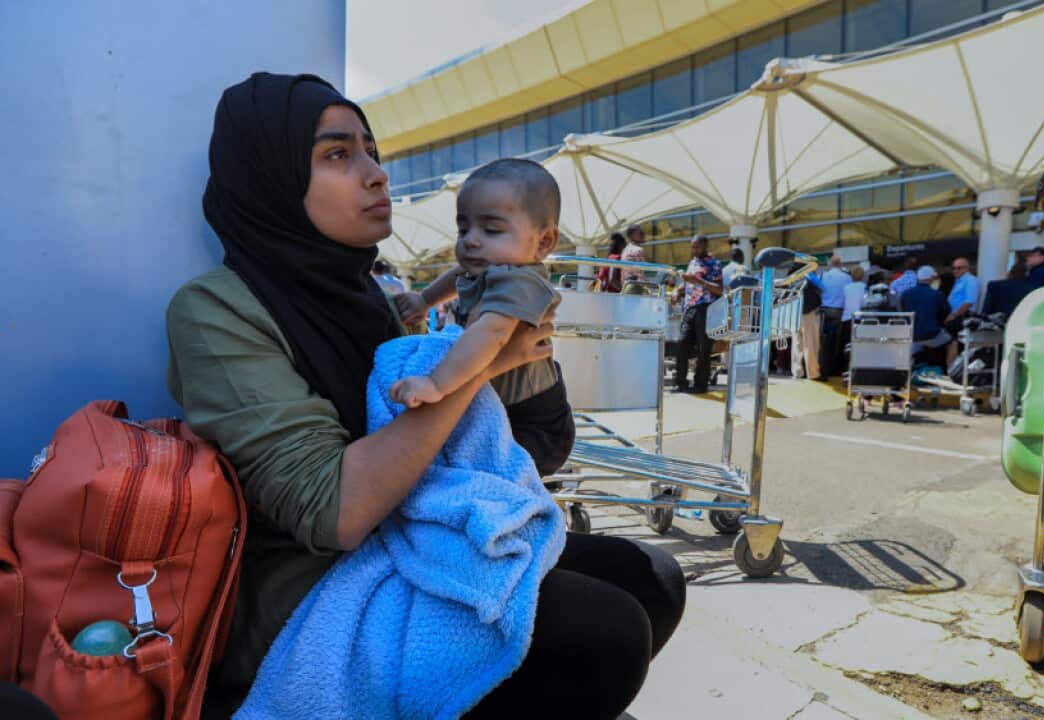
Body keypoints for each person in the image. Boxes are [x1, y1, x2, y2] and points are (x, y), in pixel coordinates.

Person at [166, 73, 684, 719]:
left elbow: (512, 450)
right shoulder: (217, 308)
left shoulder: (373, 299)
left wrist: (517, 362)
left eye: (371, 150)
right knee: (602, 633)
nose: (376, 174)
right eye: (337, 154)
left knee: (651, 576)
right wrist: (469, 374)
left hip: (415, 528)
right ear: (270, 178)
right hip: (308, 584)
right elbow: (335, 513)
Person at [388, 159, 575, 477]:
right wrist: (425, 299)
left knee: (480, 474)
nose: (471, 239)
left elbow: (493, 332)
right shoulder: (490, 265)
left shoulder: (520, 281)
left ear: (543, 242)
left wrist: (435, 383)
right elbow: (458, 273)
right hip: (498, 404)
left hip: (534, 423)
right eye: (464, 228)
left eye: (491, 229)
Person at [673, 234, 723, 393]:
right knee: (682, 343)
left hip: (706, 308)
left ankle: (700, 384)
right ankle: (680, 382)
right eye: (692, 246)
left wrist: (699, 281)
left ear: (705, 246)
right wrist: (677, 291)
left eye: (697, 247)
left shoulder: (714, 264)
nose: (694, 250)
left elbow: (719, 289)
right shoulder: (693, 262)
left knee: (704, 347)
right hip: (689, 308)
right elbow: (686, 283)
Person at [899, 265, 952, 361]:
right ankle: (951, 371)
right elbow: (946, 312)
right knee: (953, 342)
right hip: (932, 335)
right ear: (930, 278)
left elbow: (903, 313)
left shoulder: (905, 294)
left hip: (912, 336)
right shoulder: (937, 294)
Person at [819, 256, 852, 379]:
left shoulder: (823, 275)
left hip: (824, 311)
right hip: (839, 312)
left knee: (824, 341)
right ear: (840, 264)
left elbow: (819, 291)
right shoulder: (847, 277)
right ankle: (834, 367)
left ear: (830, 264)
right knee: (837, 341)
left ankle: (824, 367)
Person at [945, 256, 980, 365]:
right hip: (955, 316)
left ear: (967, 268)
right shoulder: (959, 281)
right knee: (952, 343)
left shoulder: (970, 280)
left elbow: (969, 301)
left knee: (954, 343)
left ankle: (952, 369)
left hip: (962, 317)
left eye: (959, 268)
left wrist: (954, 315)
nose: (955, 270)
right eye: (953, 268)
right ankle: (952, 368)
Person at [792, 268, 823, 380]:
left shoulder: (795, 281)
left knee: (797, 344)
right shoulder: (811, 282)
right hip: (809, 315)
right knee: (810, 344)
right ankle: (813, 373)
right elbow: (818, 299)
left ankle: (797, 371)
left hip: (795, 315)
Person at [620, 222, 648, 290]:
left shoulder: (625, 249)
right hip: (635, 287)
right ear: (632, 235)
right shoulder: (638, 250)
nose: (643, 234)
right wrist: (646, 288)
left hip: (625, 286)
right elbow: (639, 274)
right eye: (640, 233)